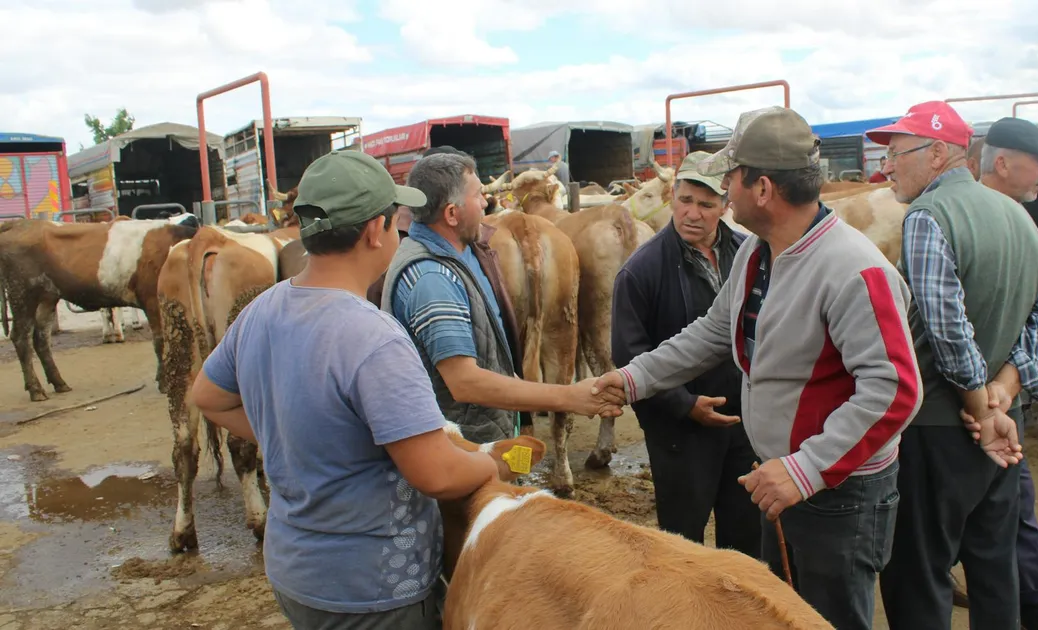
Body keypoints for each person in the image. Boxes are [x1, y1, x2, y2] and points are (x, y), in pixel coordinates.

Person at [593, 105, 923, 630]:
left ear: (762, 188)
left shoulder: (852, 269)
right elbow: (712, 332)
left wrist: (806, 468)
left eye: (731, 177)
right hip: (782, 481)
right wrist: (634, 378)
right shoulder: (760, 254)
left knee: (827, 618)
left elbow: (896, 388)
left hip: (836, 495)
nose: (726, 188)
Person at [190, 150, 506, 629]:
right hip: (372, 589)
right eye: (396, 218)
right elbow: (436, 475)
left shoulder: (264, 307)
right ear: (375, 232)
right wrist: (491, 461)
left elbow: (208, 397)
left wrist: (294, 439)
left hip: (295, 571)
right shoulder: (374, 337)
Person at [865, 101, 1038, 630]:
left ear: (935, 154)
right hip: (1004, 425)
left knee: (919, 569)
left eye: (896, 154)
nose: (886, 167)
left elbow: (945, 325)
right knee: (994, 562)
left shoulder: (929, 216)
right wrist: (1007, 385)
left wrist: (979, 398)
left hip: (941, 428)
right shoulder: (1017, 215)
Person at [380, 152, 619, 444]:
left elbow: (488, 361)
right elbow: (465, 382)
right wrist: (569, 396)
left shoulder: (458, 257)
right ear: (452, 214)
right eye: (478, 195)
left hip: (479, 439)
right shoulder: (433, 280)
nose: (485, 203)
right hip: (466, 451)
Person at [610, 150, 760, 557]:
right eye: (685, 200)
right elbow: (628, 354)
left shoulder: (750, 254)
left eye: (707, 204)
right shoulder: (641, 271)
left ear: (726, 205)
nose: (692, 213)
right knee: (681, 545)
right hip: (680, 435)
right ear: (672, 196)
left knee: (746, 539)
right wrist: (684, 404)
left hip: (744, 425)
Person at [973, 117, 1038, 630]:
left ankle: (1028, 607)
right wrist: (999, 393)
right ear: (1003, 163)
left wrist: (999, 391)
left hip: (987, 409)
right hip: (970, 411)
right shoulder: (945, 219)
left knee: (1009, 507)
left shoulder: (1023, 222)